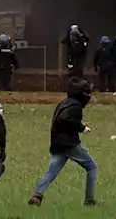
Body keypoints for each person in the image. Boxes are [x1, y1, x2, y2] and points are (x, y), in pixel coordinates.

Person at [29, 77, 97, 207]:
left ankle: (37, 195)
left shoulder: (64, 103)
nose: (89, 96)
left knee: (52, 171)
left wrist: (79, 126)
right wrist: (81, 128)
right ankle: (90, 201)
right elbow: (66, 120)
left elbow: (63, 120)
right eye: (87, 93)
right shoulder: (76, 106)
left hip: (57, 143)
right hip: (69, 144)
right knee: (92, 167)